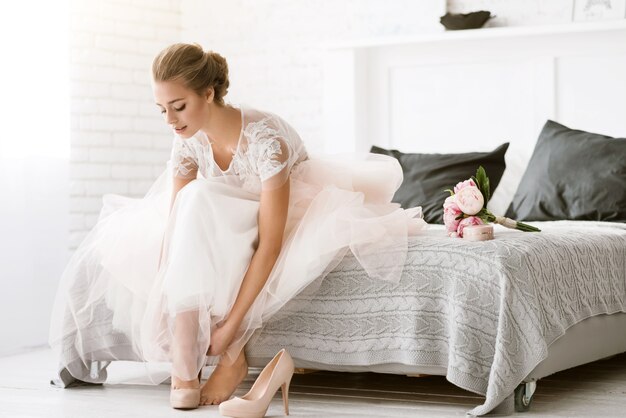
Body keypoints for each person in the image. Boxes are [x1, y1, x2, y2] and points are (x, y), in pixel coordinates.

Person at [48, 42, 426, 410]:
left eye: (178, 107)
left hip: (280, 216)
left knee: (198, 199)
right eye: (161, 110)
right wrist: (164, 297)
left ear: (208, 93)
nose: (170, 121)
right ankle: (186, 350)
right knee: (190, 202)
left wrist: (230, 329)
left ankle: (229, 357)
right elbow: (175, 221)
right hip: (213, 219)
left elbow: (271, 244)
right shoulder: (186, 140)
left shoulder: (266, 139)